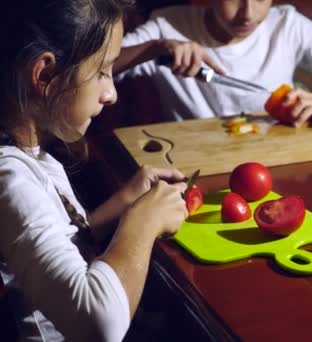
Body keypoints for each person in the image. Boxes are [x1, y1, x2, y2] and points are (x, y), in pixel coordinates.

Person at [0, 0, 189, 340]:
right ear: (45, 74)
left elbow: (50, 244)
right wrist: (142, 223)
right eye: (102, 72)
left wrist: (127, 200)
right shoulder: (11, 180)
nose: (111, 93)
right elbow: (99, 324)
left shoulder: (30, 157)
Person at [114, 0, 312, 126]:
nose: (248, 14)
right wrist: (155, 48)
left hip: (279, 161)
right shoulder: (168, 24)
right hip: (195, 166)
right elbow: (91, 69)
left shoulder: (288, 24)